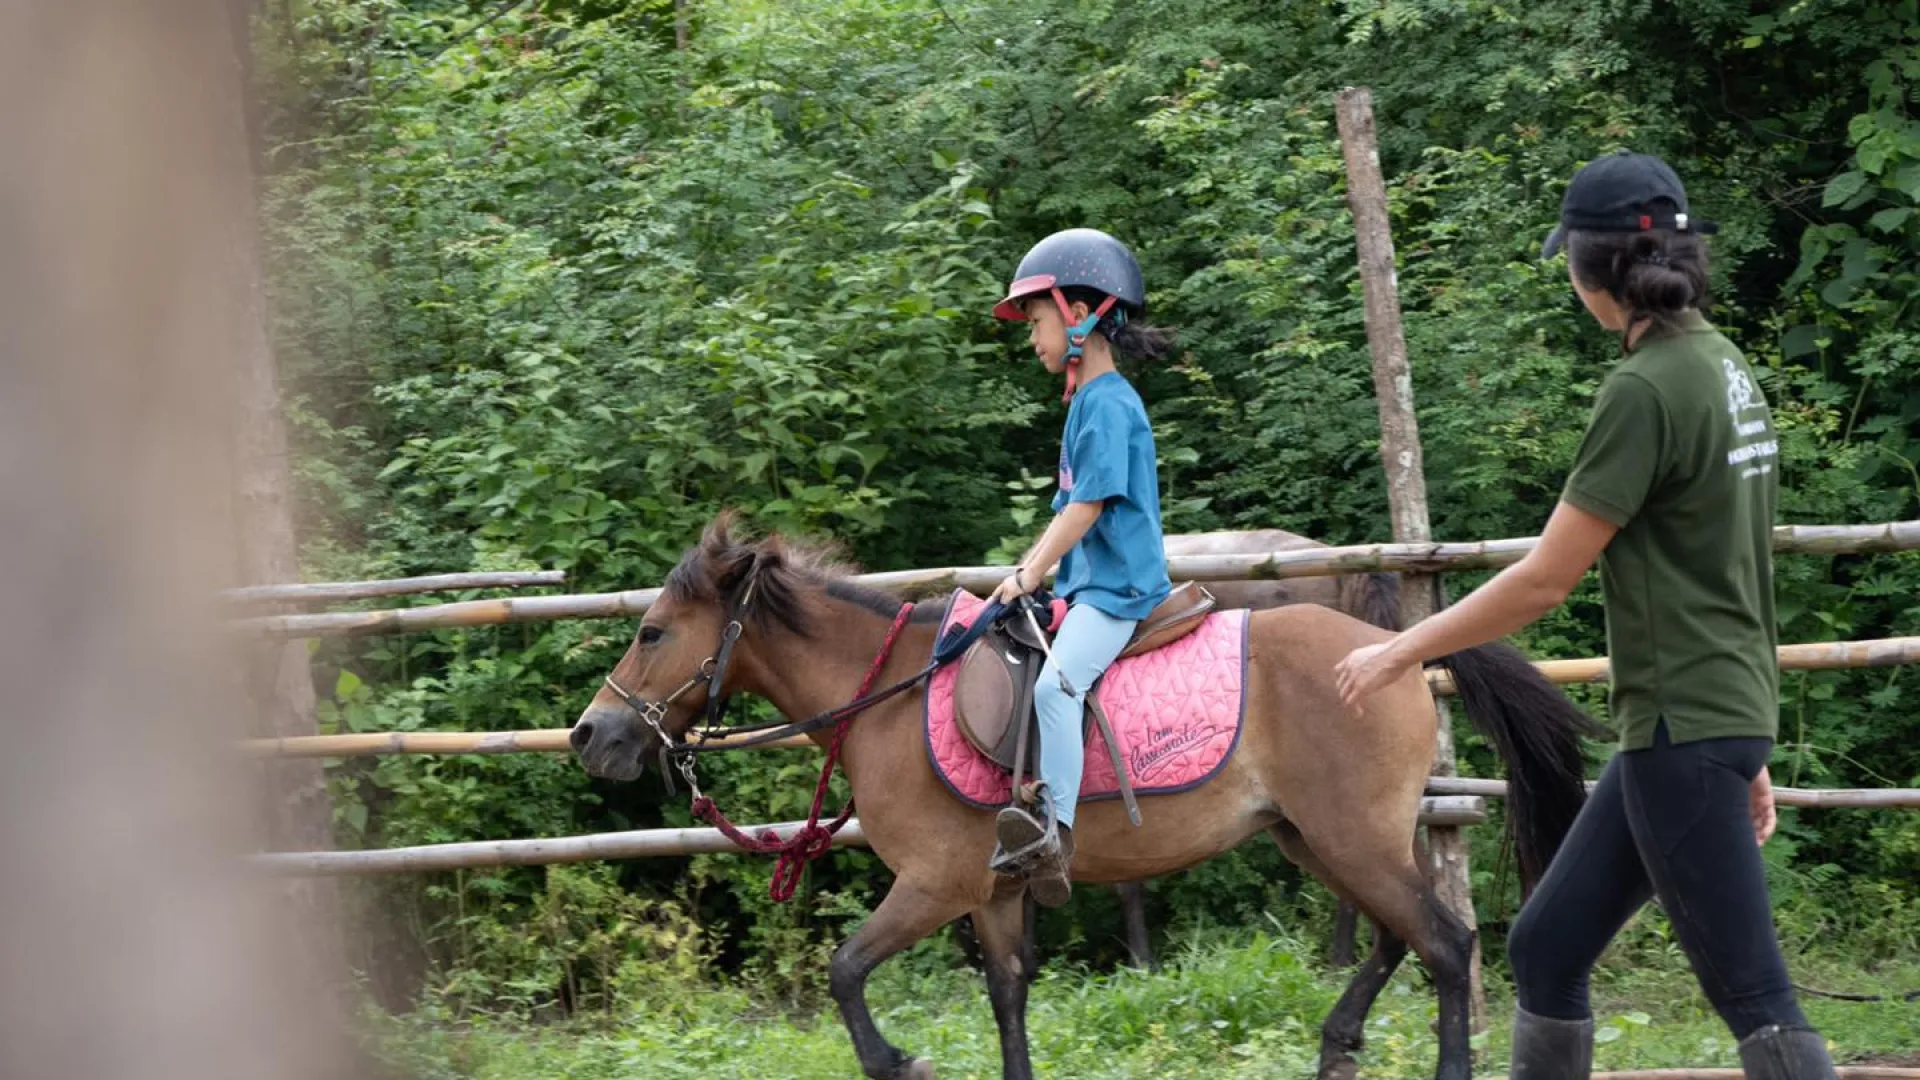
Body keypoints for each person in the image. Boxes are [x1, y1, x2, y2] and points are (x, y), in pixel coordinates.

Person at [1331, 151, 1836, 1080]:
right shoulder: (1724, 369)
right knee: (1548, 948)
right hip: (1702, 720)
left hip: (1685, 725)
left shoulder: (1642, 391)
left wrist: (1399, 650)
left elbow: (1544, 581)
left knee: (1757, 1000)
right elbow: (1740, 562)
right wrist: (1748, 738)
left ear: (1593, 273)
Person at [984, 227, 1175, 908]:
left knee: (1053, 692)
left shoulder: (1109, 404)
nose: (1031, 338)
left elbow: (1086, 509)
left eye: (1034, 321)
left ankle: (1053, 840)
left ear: (1077, 315)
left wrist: (1029, 574)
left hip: (1120, 590)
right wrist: (1037, 573)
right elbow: (1066, 512)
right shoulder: (1086, 405)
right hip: (1089, 586)